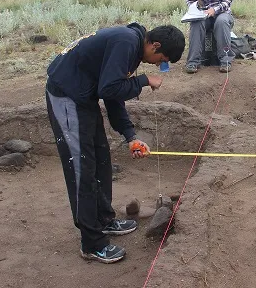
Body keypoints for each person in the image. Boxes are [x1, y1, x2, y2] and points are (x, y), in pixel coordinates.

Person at [46, 23, 185, 263]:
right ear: (155, 45)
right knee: (82, 171)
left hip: (83, 96)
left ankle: (103, 221)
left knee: (100, 160)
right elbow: (109, 89)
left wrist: (130, 137)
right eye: (160, 58)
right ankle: (92, 244)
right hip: (66, 97)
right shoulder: (127, 43)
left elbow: (113, 94)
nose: (156, 64)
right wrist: (143, 80)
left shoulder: (131, 48)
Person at [184, 0, 235, 74]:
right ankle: (193, 62)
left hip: (222, 14)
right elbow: (190, 1)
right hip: (203, 16)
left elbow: (228, 1)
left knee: (221, 22)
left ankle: (225, 60)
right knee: (196, 24)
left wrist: (214, 10)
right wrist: (196, 10)